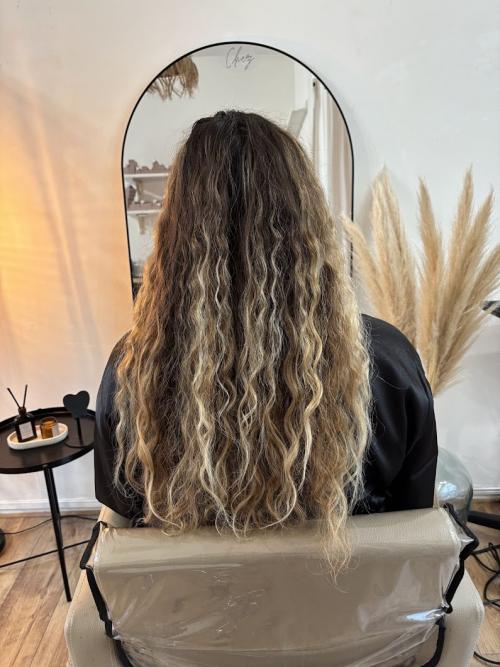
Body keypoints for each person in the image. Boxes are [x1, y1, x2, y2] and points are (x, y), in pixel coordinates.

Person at [94, 110, 437, 575]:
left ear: (174, 234)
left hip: (194, 614)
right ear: (309, 222)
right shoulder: (389, 363)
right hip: (346, 610)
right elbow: (413, 528)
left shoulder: (132, 371)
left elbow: (127, 532)